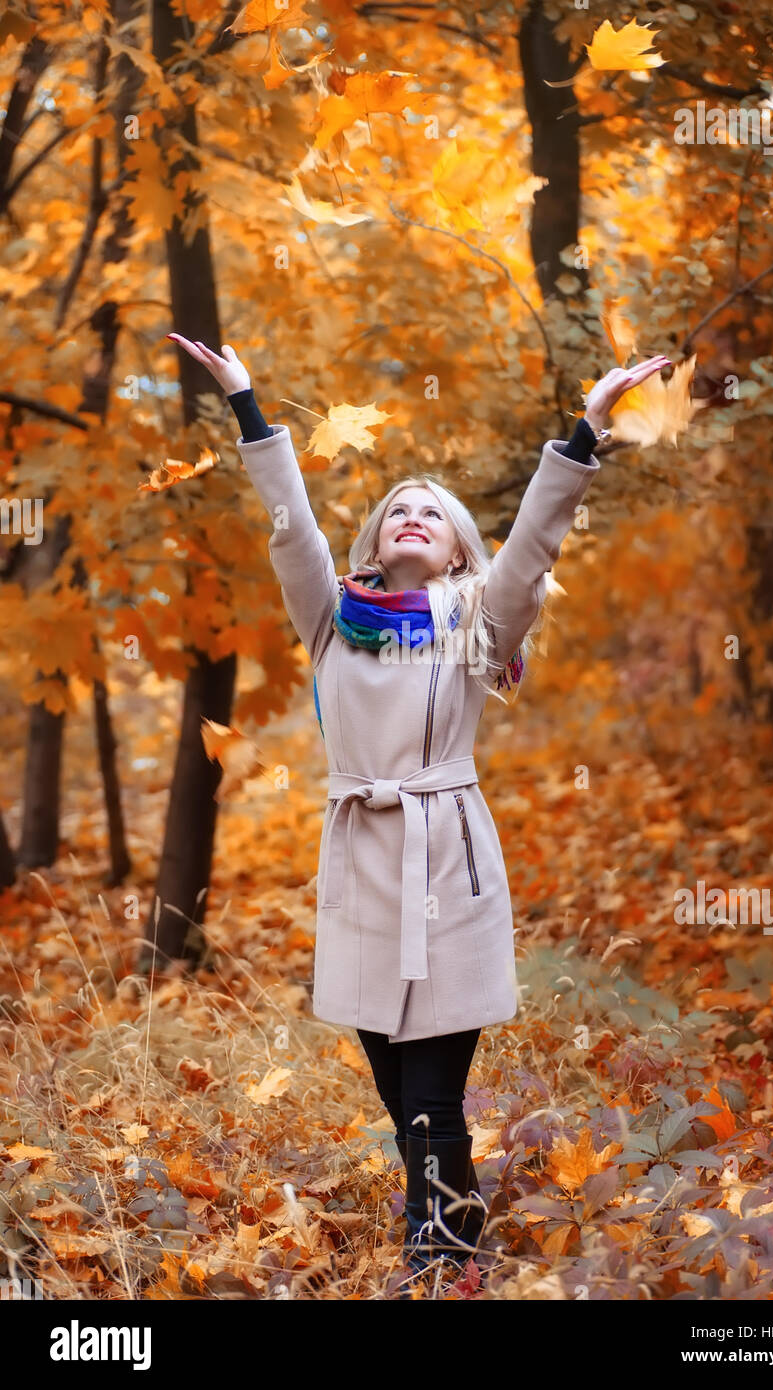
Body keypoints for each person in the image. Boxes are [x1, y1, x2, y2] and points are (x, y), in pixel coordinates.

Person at [166, 332, 669, 1293]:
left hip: (447, 859)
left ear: (453, 550)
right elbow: (290, 528)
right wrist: (246, 406)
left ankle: (436, 1266)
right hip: (360, 863)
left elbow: (532, 551)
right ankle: (459, 1227)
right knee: (401, 1095)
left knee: (433, 1089)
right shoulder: (330, 618)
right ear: (373, 541)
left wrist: (586, 428)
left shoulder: (478, 621)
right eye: (395, 509)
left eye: (428, 515)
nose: (408, 517)